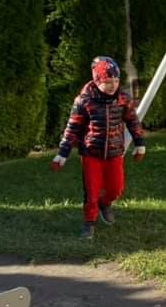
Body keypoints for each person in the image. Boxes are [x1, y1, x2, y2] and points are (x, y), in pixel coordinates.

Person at [50, 56, 146, 240]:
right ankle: (89, 223)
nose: (113, 86)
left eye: (116, 81)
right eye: (108, 82)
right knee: (91, 192)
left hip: (115, 152)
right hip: (91, 153)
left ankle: (105, 203)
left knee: (116, 189)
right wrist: (62, 153)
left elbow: (133, 122)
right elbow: (72, 128)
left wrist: (139, 143)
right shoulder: (84, 101)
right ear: (97, 80)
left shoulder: (123, 99)